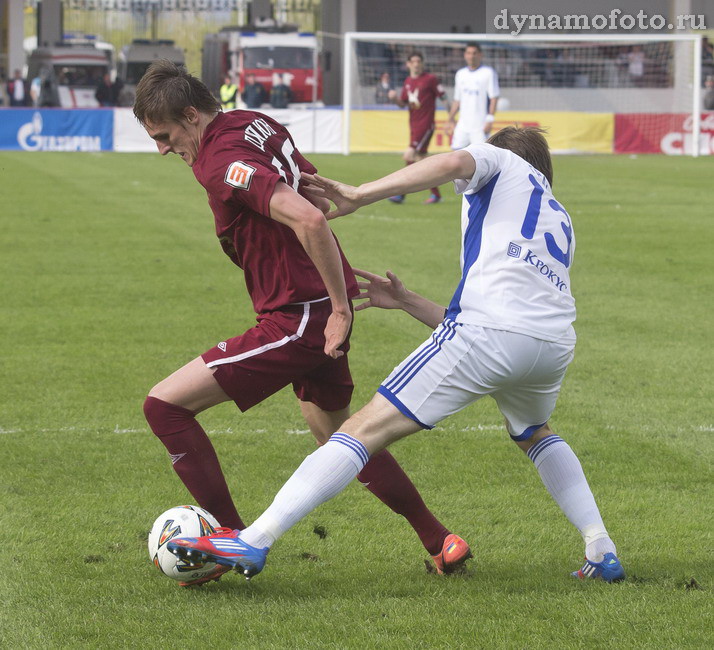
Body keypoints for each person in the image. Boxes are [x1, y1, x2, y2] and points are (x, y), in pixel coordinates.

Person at [169, 126, 626, 586]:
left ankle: (255, 539)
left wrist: (361, 193)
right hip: (552, 345)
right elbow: (514, 320)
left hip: (490, 333)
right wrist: (409, 302)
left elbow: (450, 163)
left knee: (359, 430)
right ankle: (600, 546)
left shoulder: (502, 163)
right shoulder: (556, 213)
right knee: (534, 433)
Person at [133, 60, 470, 586]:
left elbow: (308, 215)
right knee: (341, 440)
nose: (162, 149)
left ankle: (234, 539)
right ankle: (440, 541)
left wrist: (336, 305)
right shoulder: (253, 122)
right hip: (308, 306)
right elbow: (315, 193)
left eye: (164, 135)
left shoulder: (221, 159)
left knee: (164, 406)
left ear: (191, 115)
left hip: (299, 317)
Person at [387, 52, 448, 205]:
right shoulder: (408, 81)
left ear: (422, 63)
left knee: (409, 156)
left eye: (418, 61)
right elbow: (404, 104)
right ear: (408, 64)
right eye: (413, 61)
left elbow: (443, 97)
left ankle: (400, 194)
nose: (416, 64)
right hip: (413, 125)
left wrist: (451, 118)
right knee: (421, 160)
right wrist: (395, 99)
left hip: (426, 125)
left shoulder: (430, 79)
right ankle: (436, 194)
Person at [447, 43, 499, 150]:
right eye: (469, 53)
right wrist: (450, 119)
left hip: (480, 126)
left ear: (480, 55)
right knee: (456, 156)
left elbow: (494, 97)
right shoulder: (460, 74)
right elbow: (457, 100)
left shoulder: (488, 72)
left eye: (474, 53)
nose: (471, 56)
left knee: (482, 158)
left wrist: (490, 119)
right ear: (465, 55)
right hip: (463, 125)